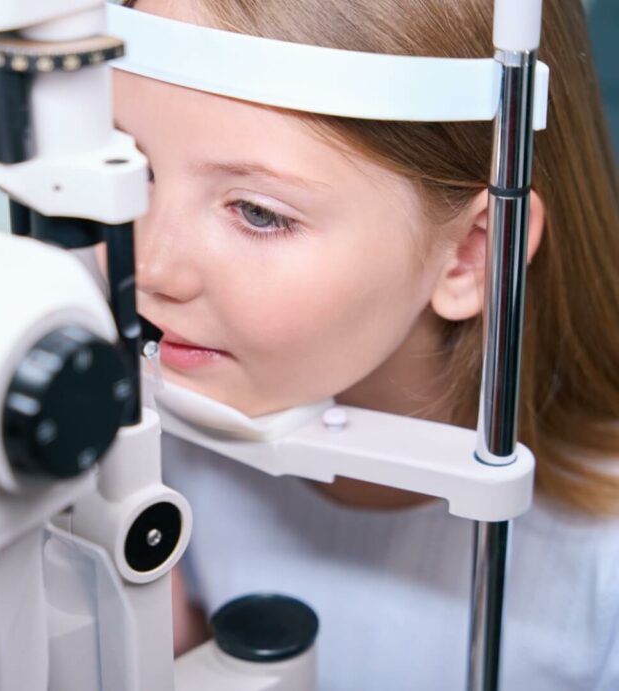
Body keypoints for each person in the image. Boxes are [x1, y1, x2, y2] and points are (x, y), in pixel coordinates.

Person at [113, 0, 619, 688]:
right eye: (129, 168)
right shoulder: (147, 440)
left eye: (258, 212)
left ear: (475, 254)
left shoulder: (599, 567)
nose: (151, 265)